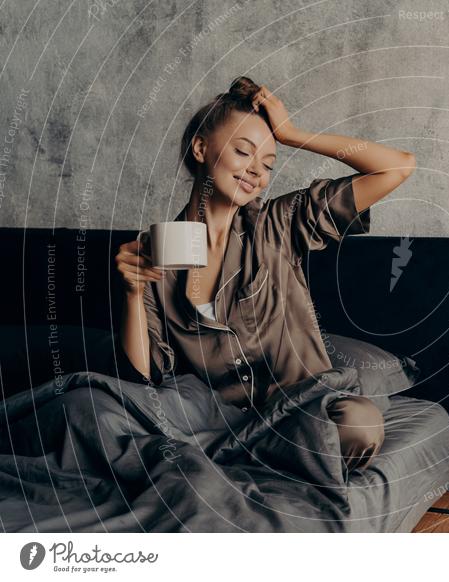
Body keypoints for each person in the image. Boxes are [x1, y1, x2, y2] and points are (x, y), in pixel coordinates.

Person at [114, 76, 416, 472]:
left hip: (303, 408)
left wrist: (293, 135)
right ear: (202, 148)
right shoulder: (155, 251)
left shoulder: (280, 222)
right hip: (217, 419)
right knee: (101, 413)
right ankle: (248, 454)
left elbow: (397, 167)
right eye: (243, 152)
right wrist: (133, 293)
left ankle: (233, 457)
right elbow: (143, 378)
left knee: (359, 426)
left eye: (268, 163)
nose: (256, 171)